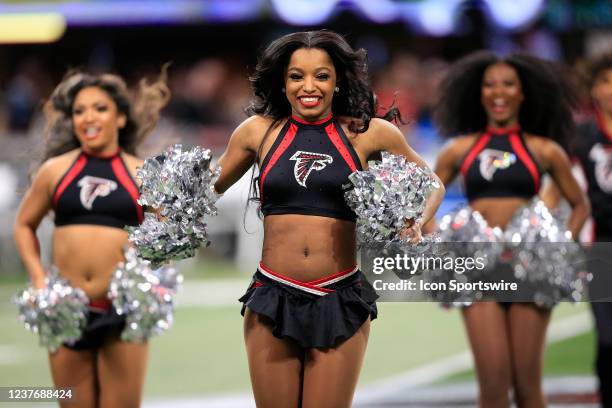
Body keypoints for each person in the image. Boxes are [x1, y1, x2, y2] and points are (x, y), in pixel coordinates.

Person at [213, 30, 445, 408]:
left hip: (339, 295)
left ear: (338, 81)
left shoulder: (368, 134)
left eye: (321, 75)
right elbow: (206, 192)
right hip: (273, 294)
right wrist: (161, 208)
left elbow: (432, 183)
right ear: (282, 82)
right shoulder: (258, 132)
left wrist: (416, 221)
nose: (309, 86)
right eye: (296, 76)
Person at [429, 51, 590, 407]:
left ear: (523, 93)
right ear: (479, 93)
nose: (498, 92)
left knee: (528, 387)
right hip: (478, 270)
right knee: (492, 386)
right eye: (490, 85)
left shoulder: (544, 149)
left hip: (530, 268)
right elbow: (428, 201)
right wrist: (434, 237)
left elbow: (579, 204)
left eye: (508, 84)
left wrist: (561, 245)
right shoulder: (458, 150)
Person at [14, 71, 169, 407]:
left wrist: (151, 275)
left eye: (99, 108)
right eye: (80, 111)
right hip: (67, 309)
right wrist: (39, 279)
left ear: (121, 117)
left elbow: (166, 234)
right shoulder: (55, 171)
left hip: (122, 310)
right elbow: (24, 224)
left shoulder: (142, 172)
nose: (88, 118)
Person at [541, 52, 612, 407]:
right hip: (599, 249)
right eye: (604, 81)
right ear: (593, 89)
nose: (611, 89)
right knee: (607, 337)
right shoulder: (581, 137)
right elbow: (555, 191)